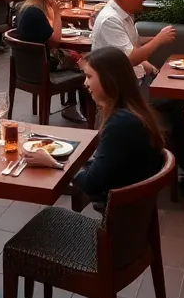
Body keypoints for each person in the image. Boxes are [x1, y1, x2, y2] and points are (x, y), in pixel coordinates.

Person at [71, 46, 166, 207]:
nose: (85, 83)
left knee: (46, 218)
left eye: (89, 76)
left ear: (109, 79)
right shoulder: (134, 112)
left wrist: (60, 166)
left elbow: (91, 184)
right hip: (134, 210)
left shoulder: (120, 124)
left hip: (119, 215)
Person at [15, 0, 85, 121]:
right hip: (42, 65)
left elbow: (47, 32)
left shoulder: (25, 8)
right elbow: (56, 40)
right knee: (84, 61)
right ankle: (77, 108)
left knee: (75, 55)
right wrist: (57, 13)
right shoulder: (35, 13)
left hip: (26, 64)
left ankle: (72, 104)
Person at [89, 0, 176, 82]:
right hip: (119, 86)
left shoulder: (125, 13)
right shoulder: (109, 20)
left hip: (136, 78)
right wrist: (159, 39)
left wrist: (159, 39)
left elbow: (134, 41)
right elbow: (130, 59)